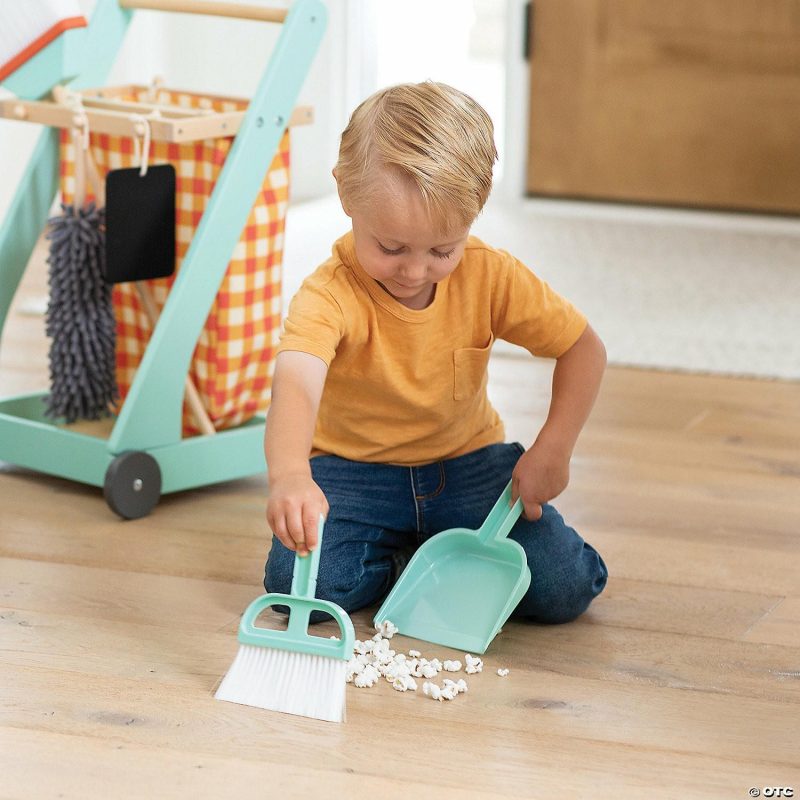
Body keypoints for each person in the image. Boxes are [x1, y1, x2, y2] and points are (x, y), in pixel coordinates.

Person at [263, 81, 608, 624]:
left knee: (566, 587)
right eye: (392, 248)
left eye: (443, 250)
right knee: (296, 589)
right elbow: (296, 383)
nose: (416, 270)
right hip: (353, 472)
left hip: (467, 464)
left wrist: (555, 446)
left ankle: (419, 559)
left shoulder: (490, 274)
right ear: (346, 194)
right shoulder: (328, 295)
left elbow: (583, 349)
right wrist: (289, 476)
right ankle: (414, 562)